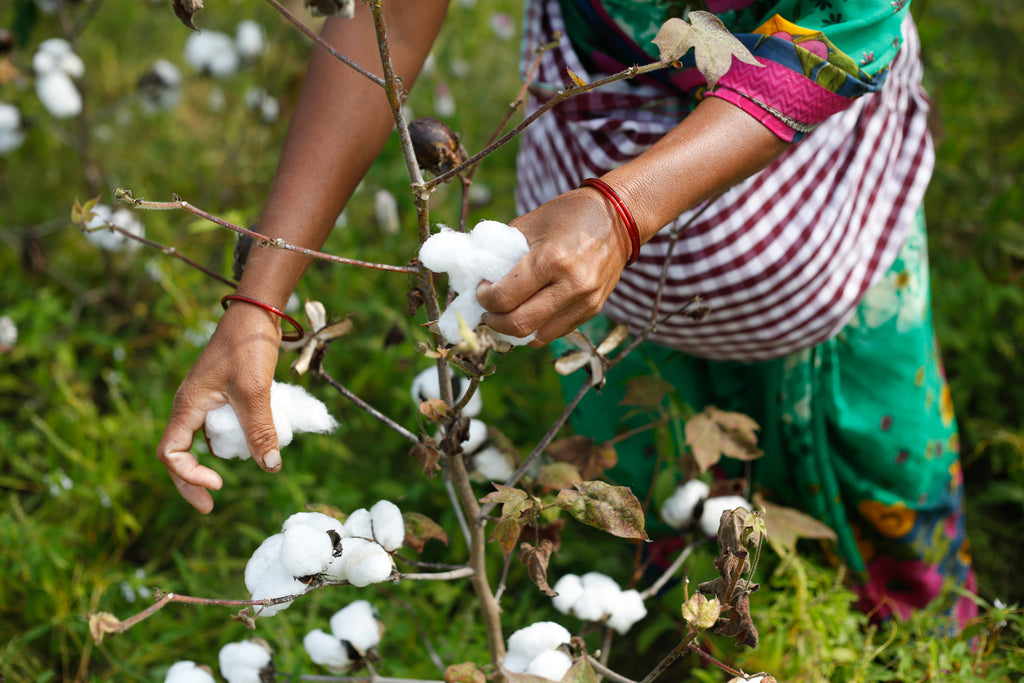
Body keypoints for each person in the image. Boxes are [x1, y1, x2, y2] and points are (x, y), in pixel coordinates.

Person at [157, 0, 975, 626]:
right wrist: (258, 301)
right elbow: (390, 19)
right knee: (663, 486)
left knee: (884, 478)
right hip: (599, 104)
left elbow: (844, 23)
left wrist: (623, 210)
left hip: (821, 170)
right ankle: (708, 632)